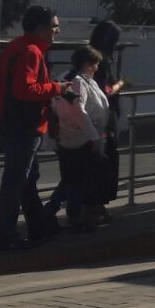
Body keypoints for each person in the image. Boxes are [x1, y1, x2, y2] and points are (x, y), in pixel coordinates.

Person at [0, 6, 65, 251]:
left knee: (25, 180)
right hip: (24, 125)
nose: (57, 30)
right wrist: (57, 88)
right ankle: (7, 235)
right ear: (41, 29)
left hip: (13, 122)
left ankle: (37, 227)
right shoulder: (31, 52)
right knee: (17, 181)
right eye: (54, 26)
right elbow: (25, 90)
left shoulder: (18, 47)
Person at [54, 46, 111, 233]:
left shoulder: (68, 77)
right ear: (87, 64)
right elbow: (77, 109)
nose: (97, 68)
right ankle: (76, 216)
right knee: (81, 180)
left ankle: (65, 213)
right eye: (95, 64)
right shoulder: (77, 82)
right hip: (81, 138)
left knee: (72, 179)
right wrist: (93, 136)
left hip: (69, 136)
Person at [87, 21, 126, 214]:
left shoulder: (92, 58)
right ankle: (96, 206)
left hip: (97, 117)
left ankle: (95, 206)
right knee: (104, 160)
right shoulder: (102, 62)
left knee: (100, 161)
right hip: (103, 117)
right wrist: (119, 86)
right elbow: (105, 91)